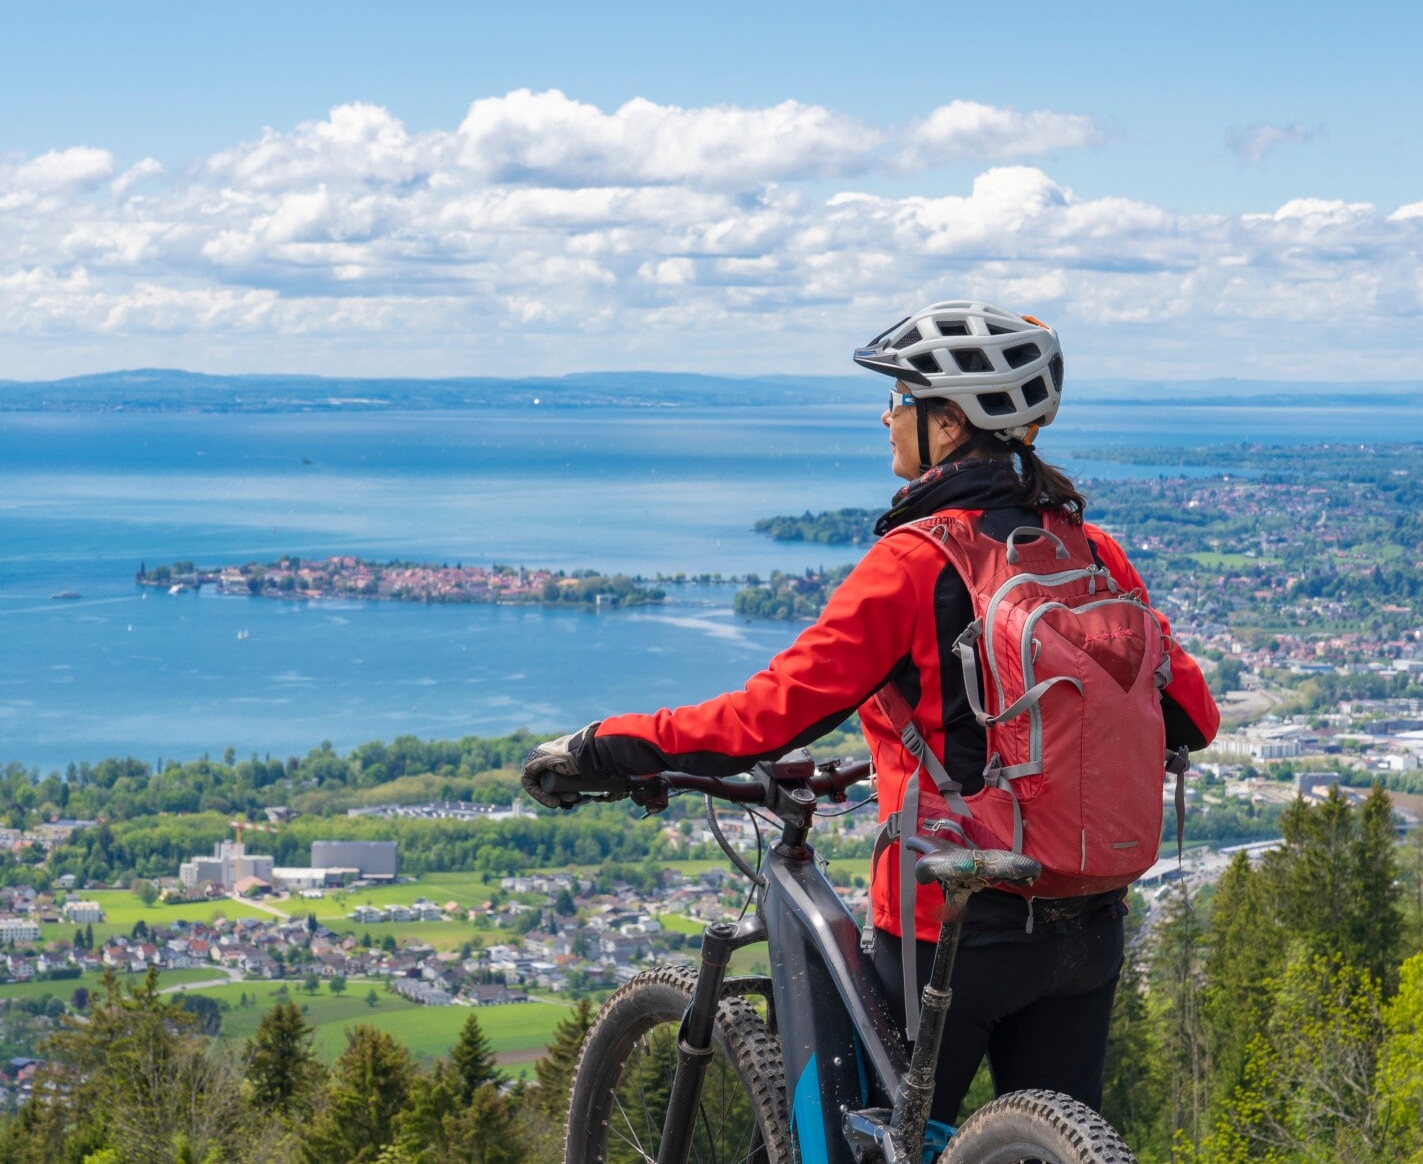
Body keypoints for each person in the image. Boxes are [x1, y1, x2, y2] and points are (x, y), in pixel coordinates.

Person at [521, 298, 1219, 1127]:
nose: (885, 414)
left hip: (952, 929)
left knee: (861, 1140)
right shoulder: (1093, 550)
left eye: (900, 397)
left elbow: (763, 719)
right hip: (1089, 924)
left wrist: (611, 744)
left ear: (950, 423)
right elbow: (1193, 715)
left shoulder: (915, 561)